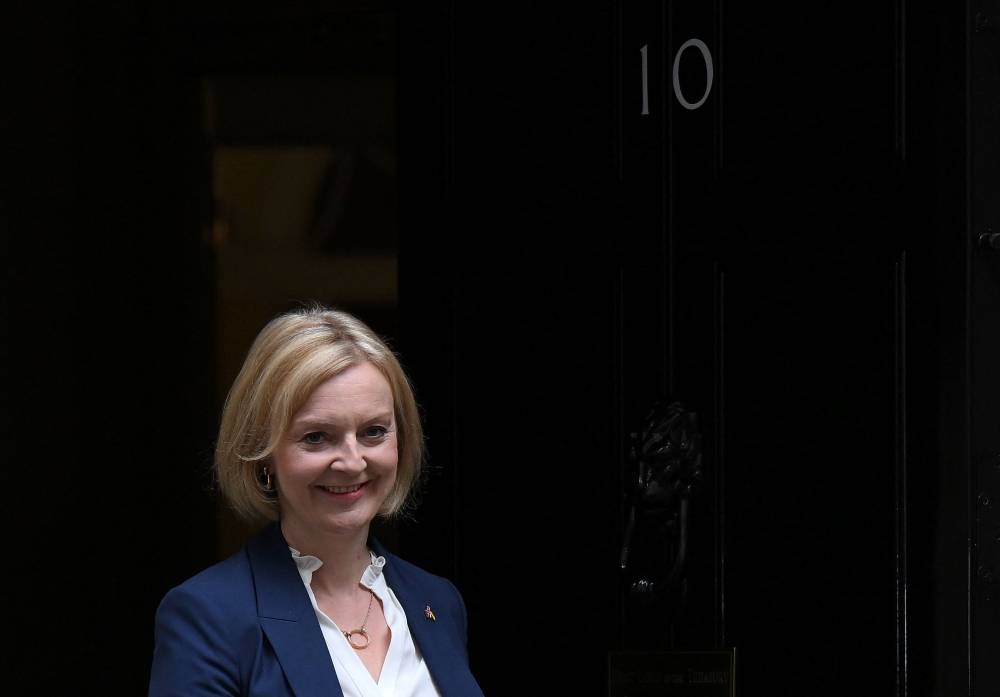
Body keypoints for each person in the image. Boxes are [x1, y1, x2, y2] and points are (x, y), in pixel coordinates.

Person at [148, 303, 484, 697]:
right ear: (263, 452)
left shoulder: (438, 601)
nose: (352, 461)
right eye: (316, 437)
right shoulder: (207, 616)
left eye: (374, 431)